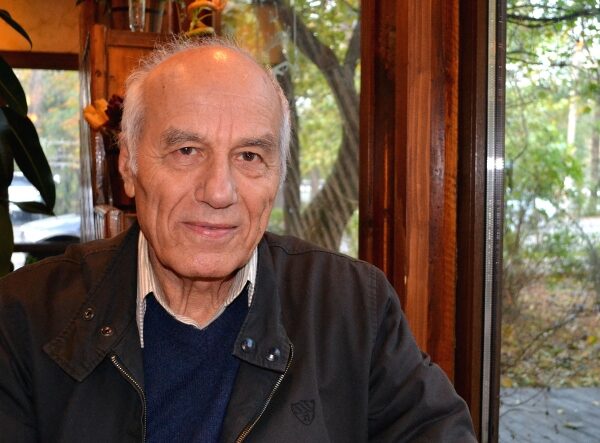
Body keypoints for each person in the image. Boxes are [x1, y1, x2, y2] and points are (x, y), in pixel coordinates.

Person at [0, 37, 476, 442]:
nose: (219, 192)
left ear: (278, 176)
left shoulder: (351, 307)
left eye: (249, 156)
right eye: (187, 150)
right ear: (128, 166)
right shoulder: (24, 318)